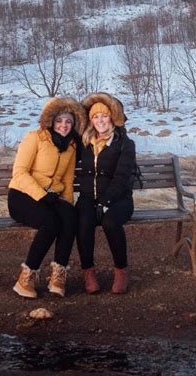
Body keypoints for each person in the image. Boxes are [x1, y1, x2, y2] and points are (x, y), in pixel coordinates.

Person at [8, 97, 86, 298]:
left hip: (51, 198)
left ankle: (58, 275)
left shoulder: (71, 146)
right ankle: (25, 279)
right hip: (22, 196)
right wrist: (42, 195)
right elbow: (20, 172)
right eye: (59, 121)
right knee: (51, 223)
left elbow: (68, 182)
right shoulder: (35, 137)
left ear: (73, 124)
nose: (63, 125)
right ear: (51, 121)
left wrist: (67, 206)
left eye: (68, 121)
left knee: (70, 217)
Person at [76, 92, 136, 294]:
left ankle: (121, 271)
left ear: (112, 117)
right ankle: (88, 273)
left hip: (119, 199)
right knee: (83, 222)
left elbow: (122, 176)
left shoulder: (124, 143)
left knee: (110, 222)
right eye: (95, 116)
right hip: (88, 198)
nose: (100, 120)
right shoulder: (83, 142)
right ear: (90, 120)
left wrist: (106, 201)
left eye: (104, 115)